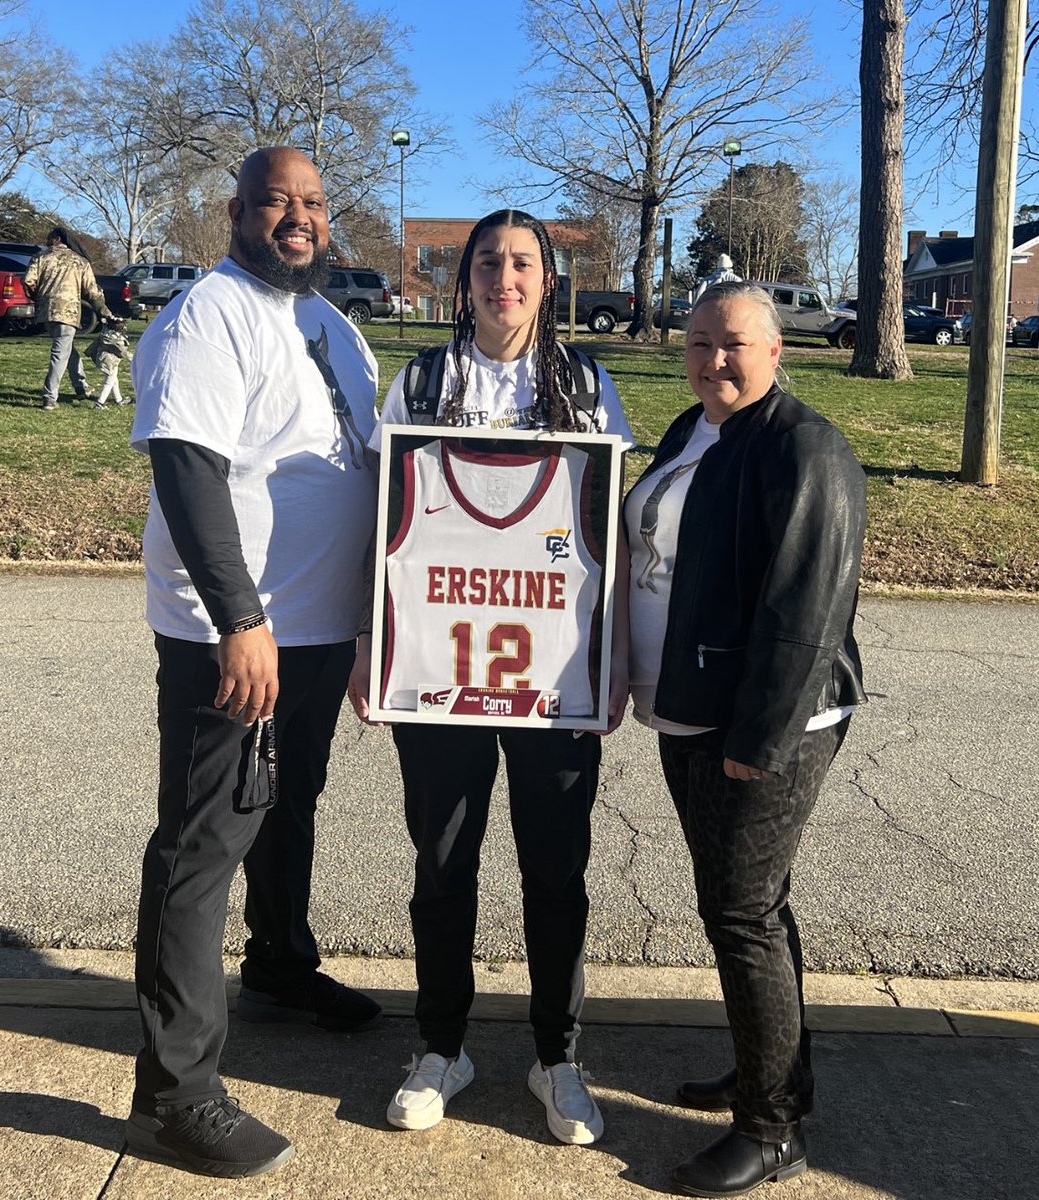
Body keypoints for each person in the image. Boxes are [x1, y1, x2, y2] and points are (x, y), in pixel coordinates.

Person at [348, 209, 633, 1147]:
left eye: (521, 264)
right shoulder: (424, 380)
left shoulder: (587, 386)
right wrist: (368, 645)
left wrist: (616, 656)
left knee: (556, 871)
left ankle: (557, 1056)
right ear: (460, 278)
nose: (503, 279)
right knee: (442, 864)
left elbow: (610, 537)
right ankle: (443, 1047)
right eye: (486, 264)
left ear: (548, 279)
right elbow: (381, 528)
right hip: (439, 672)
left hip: (554, 678)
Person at [124, 146, 383, 1179]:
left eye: (313, 204)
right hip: (234, 637)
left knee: (288, 805)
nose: (298, 219)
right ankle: (174, 1095)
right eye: (277, 201)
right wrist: (238, 619)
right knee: (201, 846)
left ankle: (279, 961)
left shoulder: (329, 324)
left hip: (317, 631)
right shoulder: (208, 317)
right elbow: (188, 467)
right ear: (235, 211)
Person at [622, 280, 866, 1197]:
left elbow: (809, 606)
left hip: (762, 721)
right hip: (687, 704)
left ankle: (772, 1128)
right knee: (751, 905)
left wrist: (758, 737)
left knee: (741, 912)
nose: (712, 361)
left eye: (732, 344)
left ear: (776, 352)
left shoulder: (803, 447)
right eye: (697, 343)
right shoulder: (693, 434)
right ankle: (775, 1070)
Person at [23, 228, 113, 410]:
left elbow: (28, 281)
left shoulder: (40, 257)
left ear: (56, 239)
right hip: (68, 313)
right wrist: (105, 312)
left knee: (66, 348)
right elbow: (92, 291)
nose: (47, 241)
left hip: (46, 312)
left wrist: (39, 298)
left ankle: (81, 386)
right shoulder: (80, 261)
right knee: (60, 353)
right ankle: (49, 396)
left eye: (49, 238)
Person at [88, 316, 133, 408]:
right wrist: (134, 358)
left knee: (114, 380)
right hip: (110, 362)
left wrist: (88, 352)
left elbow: (94, 345)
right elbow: (123, 352)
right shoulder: (116, 339)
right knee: (109, 382)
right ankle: (100, 403)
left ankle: (119, 399)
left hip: (103, 360)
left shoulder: (105, 333)